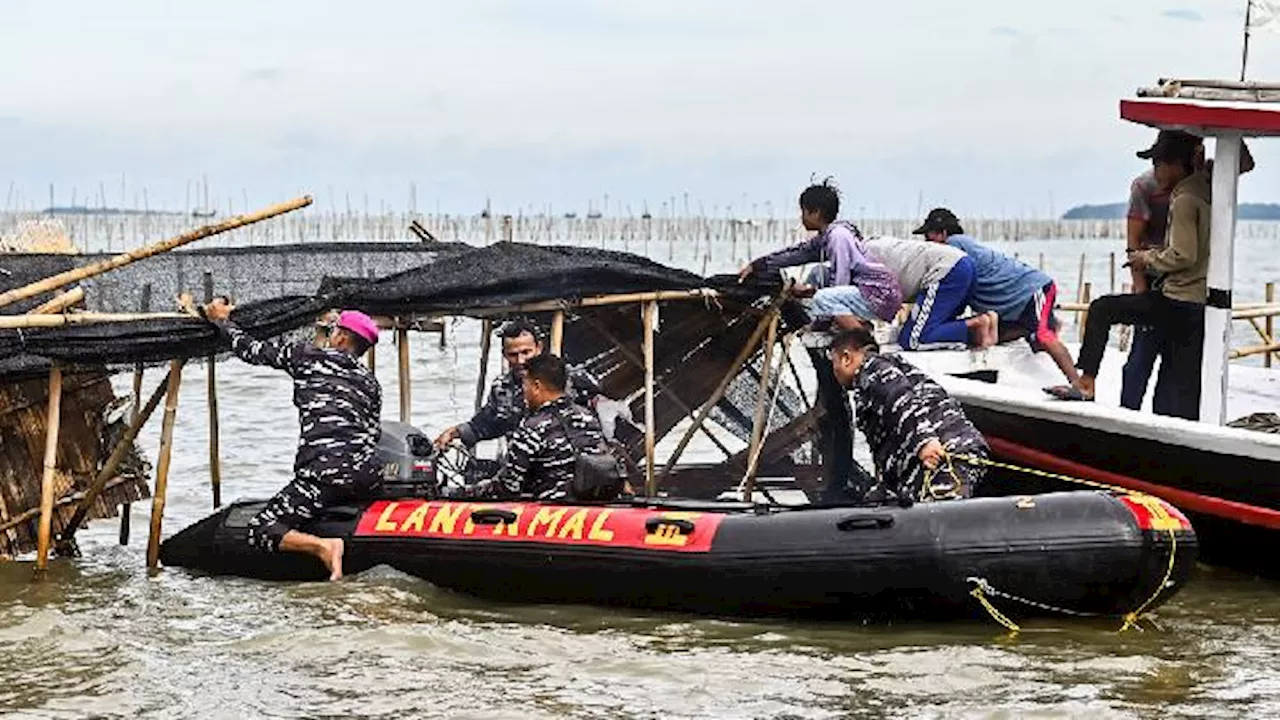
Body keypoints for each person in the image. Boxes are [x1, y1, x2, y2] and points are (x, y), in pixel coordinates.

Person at [204, 300, 382, 581]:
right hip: (365, 477)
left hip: (323, 474)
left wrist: (221, 321)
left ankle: (325, 546)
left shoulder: (307, 356)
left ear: (342, 337)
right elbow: (374, 435)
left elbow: (251, 350)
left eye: (334, 329)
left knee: (262, 529)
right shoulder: (371, 383)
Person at [1046, 129, 1211, 420]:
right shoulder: (1208, 185)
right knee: (1173, 389)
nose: (1155, 171)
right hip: (1198, 302)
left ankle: (1086, 383)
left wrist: (1145, 258)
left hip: (1177, 299)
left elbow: (1183, 255)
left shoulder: (1184, 197)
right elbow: (1244, 162)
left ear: (1175, 163)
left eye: (1159, 163)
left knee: (1102, 309)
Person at [1120, 133, 1254, 410]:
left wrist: (1225, 131)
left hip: (1188, 288)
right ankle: (1127, 417)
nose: (1157, 170)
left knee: (1181, 366)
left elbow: (1245, 162)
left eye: (1161, 162)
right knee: (1140, 358)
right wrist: (1142, 293)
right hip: (1155, 279)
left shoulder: (1206, 179)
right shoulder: (1145, 186)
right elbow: (1133, 246)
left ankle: (1172, 419)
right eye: (1155, 163)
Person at [917, 207, 1080, 385]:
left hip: (1032, 290)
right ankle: (1042, 324)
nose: (927, 242)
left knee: (1043, 336)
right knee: (996, 336)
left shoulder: (951, 247)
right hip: (1014, 303)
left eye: (929, 236)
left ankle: (1078, 384)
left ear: (943, 233)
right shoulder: (961, 245)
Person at [827, 327, 989, 502]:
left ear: (846, 358)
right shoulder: (881, 371)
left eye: (834, 363)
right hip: (932, 462)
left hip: (947, 455)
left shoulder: (873, 369)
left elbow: (900, 398)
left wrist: (925, 442)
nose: (834, 371)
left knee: (937, 518)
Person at [738, 179, 902, 329]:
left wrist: (821, 306)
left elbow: (841, 280)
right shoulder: (826, 237)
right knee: (818, 273)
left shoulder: (838, 237)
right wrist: (758, 265)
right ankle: (816, 321)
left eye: (803, 212)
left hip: (878, 294)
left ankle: (861, 341)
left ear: (815, 212)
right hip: (863, 290)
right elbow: (797, 253)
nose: (801, 217)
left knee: (824, 299)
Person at [454, 353, 617, 500]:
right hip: (593, 505)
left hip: (553, 511)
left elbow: (508, 487)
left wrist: (462, 493)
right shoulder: (588, 417)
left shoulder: (532, 428)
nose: (524, 392)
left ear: (537, 386)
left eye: (526, 385)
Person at [434, 319, 603, 449]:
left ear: (539, 348)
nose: (520, 361)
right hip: (523, 464)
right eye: (513, 355)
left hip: (569, 466)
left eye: (526, 352)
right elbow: (487, 424)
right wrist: (455, 432)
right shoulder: (502, 389)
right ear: (504, 355)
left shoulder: (570, 379)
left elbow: (604, 415)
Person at [863, 235, 996, 349]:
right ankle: (987, 323)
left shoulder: (857, 258)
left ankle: (976, 323)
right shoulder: (867, 246)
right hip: (963, 264)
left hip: (945, 270)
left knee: (912, 340)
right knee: (937, 326)